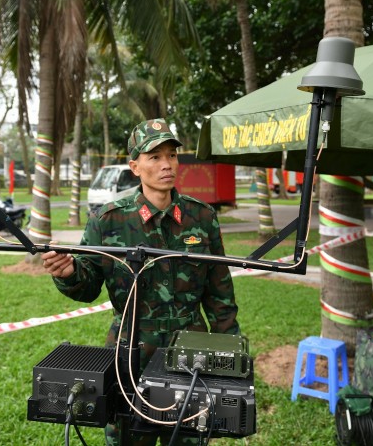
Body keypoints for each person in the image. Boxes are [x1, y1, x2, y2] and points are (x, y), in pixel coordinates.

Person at [42, 118, 240, 445]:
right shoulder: (108, 220)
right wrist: (69, 274)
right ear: (135, 166)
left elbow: (220, 293)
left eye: (172, 156)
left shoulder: (201, 217)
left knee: (189, 435)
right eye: (155, 157)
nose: (167, 165)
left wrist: (230, 357)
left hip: (190, 349)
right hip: (130, 351)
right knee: (128, 436)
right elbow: (88, 284)